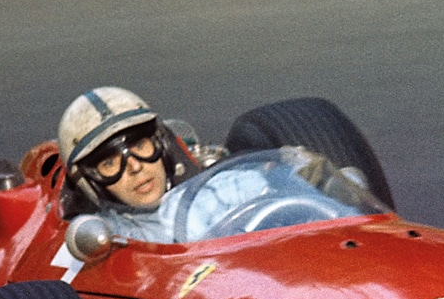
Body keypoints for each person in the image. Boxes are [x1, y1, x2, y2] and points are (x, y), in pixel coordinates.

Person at [57, 86, 380, 243]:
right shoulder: (106, 239)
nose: (136, 167)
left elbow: (296, 191)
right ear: (91, 181)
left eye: (140, 146)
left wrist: (318, 184)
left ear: (159, 144)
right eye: (110, 162)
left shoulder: (224, 187)